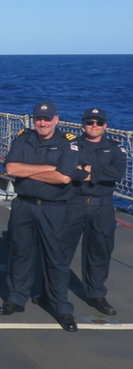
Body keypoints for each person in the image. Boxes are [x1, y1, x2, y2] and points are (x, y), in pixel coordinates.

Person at [0, 102, 85, 332]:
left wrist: (29, 170)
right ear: (33, 120)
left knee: (56, 258)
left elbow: (65, 178)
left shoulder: (68, 142)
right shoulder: (22, 139)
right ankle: (16, 299)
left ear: (56, 120)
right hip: (24, 206)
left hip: (54, 208)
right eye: (38, 119)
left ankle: (61, 307)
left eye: (47, 119)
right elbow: (11, 169)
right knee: (20, 254)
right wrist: (49, 168)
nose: (42, 123)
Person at [65, 108, 125, 316]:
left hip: (102, 205)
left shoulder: (114, 148)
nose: (94, 126)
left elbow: (118, 172)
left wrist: (87, 171)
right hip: (74, 202)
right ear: (83, 124)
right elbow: (67, 169)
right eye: (90, 122)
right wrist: (95, 172)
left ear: (105, 125)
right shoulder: (71, 146)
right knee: (62, 249)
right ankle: (53, 290)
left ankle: (96, 294)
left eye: (98, 123)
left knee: (99, 250)